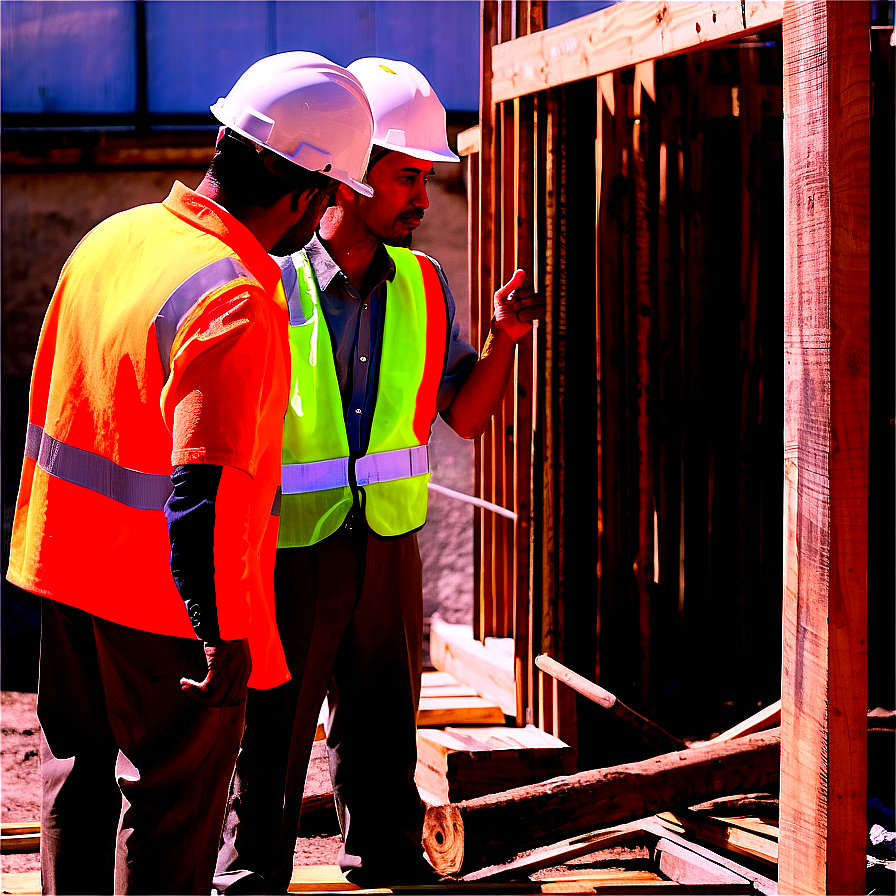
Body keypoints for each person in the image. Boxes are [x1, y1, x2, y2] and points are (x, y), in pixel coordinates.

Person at [5, 52, 374, 896]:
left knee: (78, 783)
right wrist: (218, 630)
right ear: (310, 195)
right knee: (172, 805)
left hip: (65, 575)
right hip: (165, 609)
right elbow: (199, 486)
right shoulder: (238, 294)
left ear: (224, 138)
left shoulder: (113, 237)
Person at [214, 58, 542, 893]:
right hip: (288, 550)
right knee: (272, 740)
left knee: (385, 735)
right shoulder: (267, 280)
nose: (424, 200)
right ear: (353, 176)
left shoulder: (425, 287)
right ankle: (251, 878)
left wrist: (502, 340)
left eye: (426, 181)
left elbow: (463, 417)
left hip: (389, 548)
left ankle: (389, 862)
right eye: (407, 178)